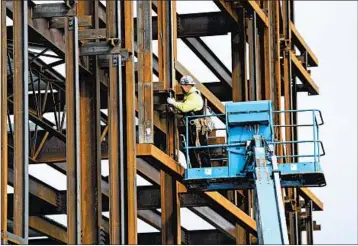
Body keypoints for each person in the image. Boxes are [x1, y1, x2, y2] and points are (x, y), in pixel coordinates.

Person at [167, 75, 211, 168]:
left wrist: (173, 102)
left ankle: (205, 169)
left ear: (187, 86)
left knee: (200, 149)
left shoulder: (194, 96)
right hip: (193, 128)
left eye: (182, 86)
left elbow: (184, 107)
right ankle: (197, 168)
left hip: (196, 128)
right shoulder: (190, 96)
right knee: (192, 150)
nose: (181, 88)